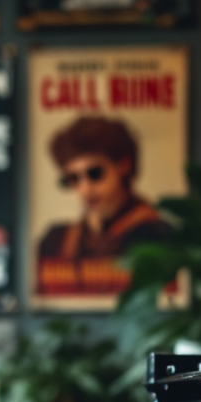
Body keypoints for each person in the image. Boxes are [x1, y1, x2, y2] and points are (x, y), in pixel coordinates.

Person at [37, 117, 169, 297]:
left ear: (124, 165)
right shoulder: (54, 240)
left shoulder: (159, 235)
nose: (85, 189)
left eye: (95, 173)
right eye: (73, 179)